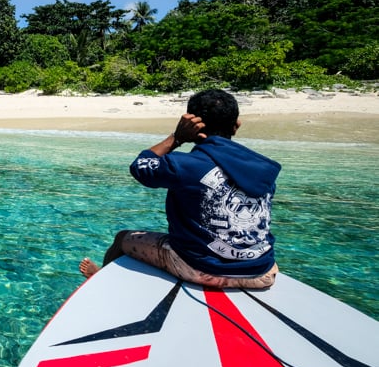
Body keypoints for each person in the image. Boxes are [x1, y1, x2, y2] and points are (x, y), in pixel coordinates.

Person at [80, 89, 281, 289]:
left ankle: (100, 283)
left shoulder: (184, 165)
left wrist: (177, 138)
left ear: (191, 125)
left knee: (122, 238)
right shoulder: (264, 169)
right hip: (262, 272)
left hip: (200, 269)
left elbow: (140, 166)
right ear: (236, 126)